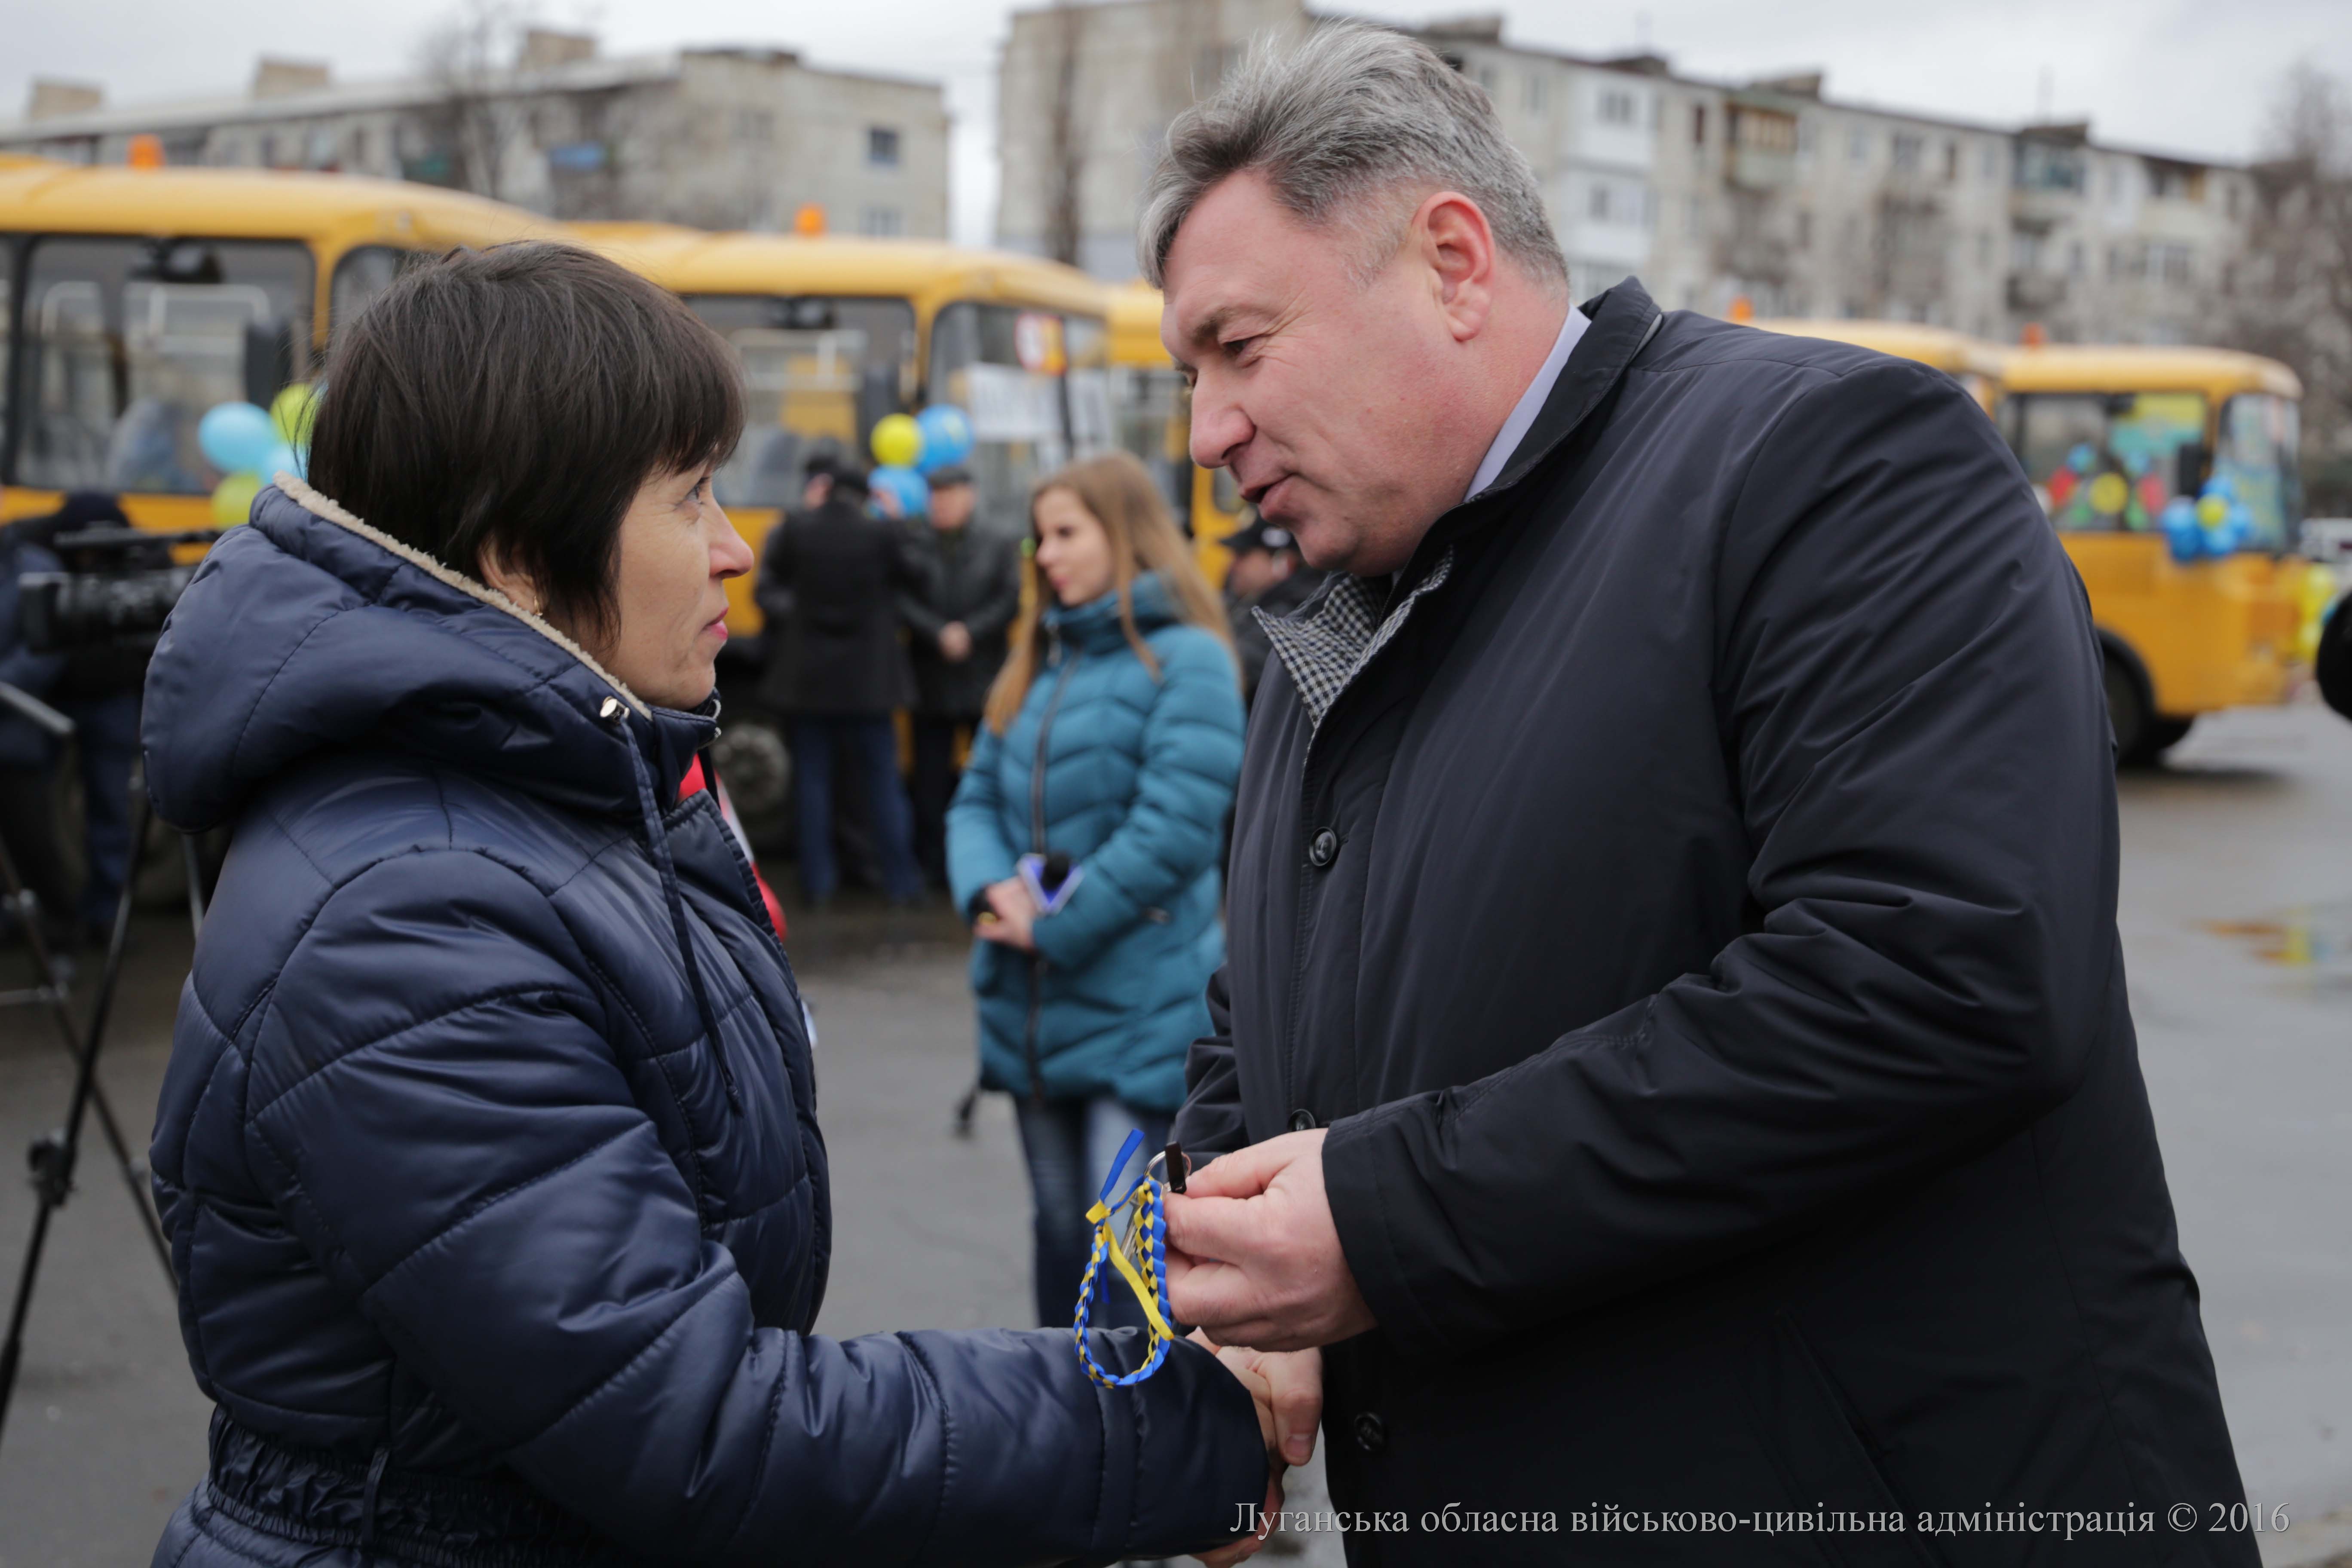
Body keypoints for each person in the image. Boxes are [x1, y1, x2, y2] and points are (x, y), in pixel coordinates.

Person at [1140, 26, 2256, 1565]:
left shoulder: (1827, 462)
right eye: (1189, 375)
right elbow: (1268, 1013)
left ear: (1452, 263)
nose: (1205, 432)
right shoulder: (1334, 628)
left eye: (1240, 347)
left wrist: (1383, 1223)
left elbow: (1939, 971)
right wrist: (1226, 1270)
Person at [139, 243, 1285, 1568]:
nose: (738, 550)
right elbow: (698, 1428)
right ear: (520, 556)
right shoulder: (409, 920)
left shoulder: (543, 800)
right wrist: (1173, 1436)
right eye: (688, 498)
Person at [946, 451, 1245, 1340]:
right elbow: (973, 799)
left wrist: (1053, 926)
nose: (1045, 554)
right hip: (1032, 1009)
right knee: (1056, 1232)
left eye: (1066, 533)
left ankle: (1140, 1416)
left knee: (1123, 1249)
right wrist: (989, 893)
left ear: (1126, 533)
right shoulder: (1035, 662)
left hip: (1138, 1002)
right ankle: (1069, 1413)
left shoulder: (1190, 659)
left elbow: (1175, 828)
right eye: (1039, 536)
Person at [755, 462, 926, 906]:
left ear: (827, 490)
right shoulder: (881, 534)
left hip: (809, 680)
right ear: (868, 495)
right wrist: (898, 522)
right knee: (883, 782)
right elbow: (918, 574)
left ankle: (817, 883)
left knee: (812, 783)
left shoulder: (798, 529)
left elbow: (769, 587)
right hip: (870, 681)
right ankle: (902, 882)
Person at [899, 466, 1021, 887]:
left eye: (949, 496)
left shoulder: (997, 542)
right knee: (929, 780)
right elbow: (903, 599)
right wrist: (938, 633)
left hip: (984, 679)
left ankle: (996, 863)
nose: (942, 505)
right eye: (936, 497)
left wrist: (970, 632)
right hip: (931, 679)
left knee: (991, 775)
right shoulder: (915, 542)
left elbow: (1009, 599)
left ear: (970, 497)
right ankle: (934, 867)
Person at [1219, 513, 1324, 707]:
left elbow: (1248, 660)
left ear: (1281, 563)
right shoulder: (1254, 602)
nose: (1233, 566)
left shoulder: (1293, 613)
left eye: (1243, 556)